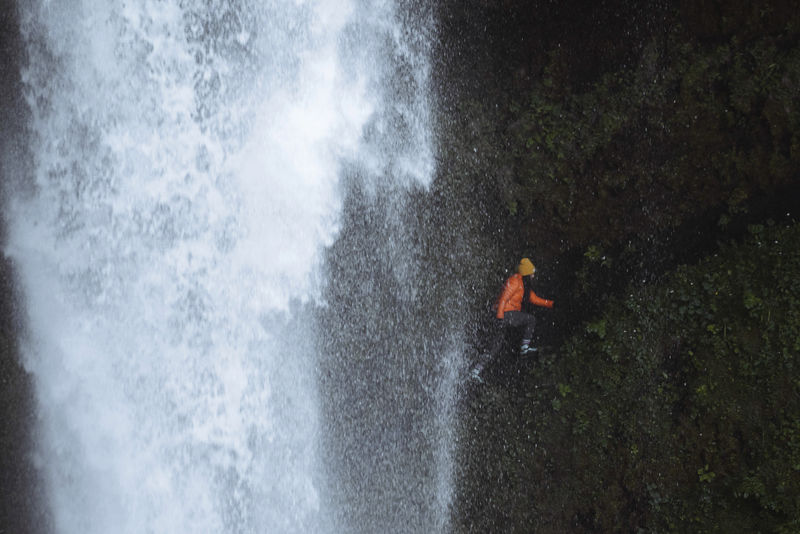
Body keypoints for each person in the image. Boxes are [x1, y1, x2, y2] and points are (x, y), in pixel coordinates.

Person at [494, 257, 554, 355]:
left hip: (507, 314)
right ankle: (524, 347)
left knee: (496, 346)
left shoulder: (523, 285)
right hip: (505, 314)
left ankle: (478, 366)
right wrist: (500, 317)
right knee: (531, 320)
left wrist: (551, 304)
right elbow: (503, 298)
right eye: (532, 274)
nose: (533, 276)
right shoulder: (515, 281)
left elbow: (535, 299)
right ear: (526, 274)